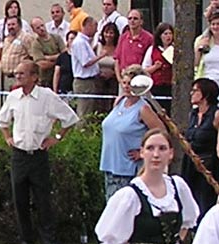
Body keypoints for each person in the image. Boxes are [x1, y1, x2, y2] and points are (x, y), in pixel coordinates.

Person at [0, 61, 79, 244]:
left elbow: (70, 118)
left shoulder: (46, 97)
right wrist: (8, 137)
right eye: (16, 74)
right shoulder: (14, 97)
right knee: (20, 201)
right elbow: (2, 120)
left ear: (34, 76)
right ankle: (27, 242)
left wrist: (57, 137)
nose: (18, 77)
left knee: (43, 201)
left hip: (38, 155)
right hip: (20, 155)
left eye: (22, 74)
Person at [99, 65, 165, 197]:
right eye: (124, 82)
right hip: (110, 165)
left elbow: (161, 132)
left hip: (128, 168)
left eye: (130, 83)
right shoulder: (119, 102)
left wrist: (142, 153)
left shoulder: (143, 109)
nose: (126, 86)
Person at [183, 79, 219, 216]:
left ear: (206, 94)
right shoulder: (193, 114)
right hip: (190, 164)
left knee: (205, 202)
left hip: (210, 165)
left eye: (196, 90)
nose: (192, 93)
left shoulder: (217, 115)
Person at [70, 17, 101, 116]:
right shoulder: (79, 42)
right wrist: (101, 56)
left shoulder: (85, 42)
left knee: (90, 109)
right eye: (95, 27)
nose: (96, 30)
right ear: (88, 26)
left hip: (89, 81)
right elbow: (86, 62)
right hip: (84, 82)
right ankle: (81, 130)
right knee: (84, 110)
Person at [141, 23, 176, 113]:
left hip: (170, 86)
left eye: (170, 33)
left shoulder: (175, 49)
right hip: (156, 86)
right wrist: (155, 67)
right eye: (165, 34)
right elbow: (144, 70)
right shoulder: (152, 49)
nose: (168, 36)